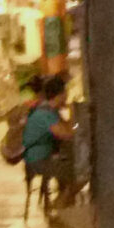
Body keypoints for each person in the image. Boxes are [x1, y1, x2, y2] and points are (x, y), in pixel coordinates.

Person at [19, 77, 75, 216]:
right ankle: (60, 208)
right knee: (77, 171)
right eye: (65, 92)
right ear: (60, 94)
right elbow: (67, 134)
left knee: (71, 165)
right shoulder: (45, 113)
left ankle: (63, 204)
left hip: (43, 157)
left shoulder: (51, 111)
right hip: (38, 161)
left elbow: (67, 129)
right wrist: (73, 114)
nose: (67, 95)